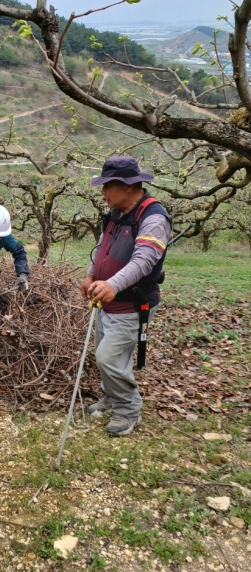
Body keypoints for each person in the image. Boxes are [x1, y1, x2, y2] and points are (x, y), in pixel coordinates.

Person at [81, 156, 171, 438]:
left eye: (108, 185)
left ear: (129, 185)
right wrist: (91, 274)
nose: (103, 192)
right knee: (106, 355)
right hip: (107, 302)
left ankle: (128, 409)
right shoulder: (117, 213)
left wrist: (112, 284)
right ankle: (111, 398)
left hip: (131, 304)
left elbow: (144, 260)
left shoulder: (153, 218)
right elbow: (103, 245)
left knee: (108, 357)